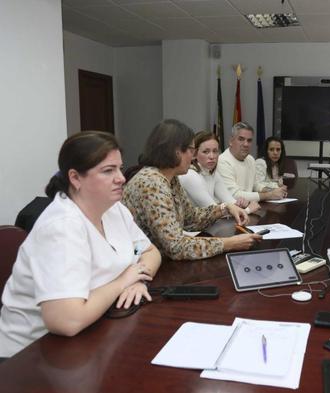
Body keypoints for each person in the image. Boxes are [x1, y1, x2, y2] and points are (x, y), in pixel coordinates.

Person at [0, 131, 161, 357]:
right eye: (108, 171)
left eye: (119, 168)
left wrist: (138, 281)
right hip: (31, 355)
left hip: (96, 329)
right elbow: (66, 321)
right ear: (75, 178)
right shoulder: (61, 227)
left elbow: (150, 252)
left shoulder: (114, 209)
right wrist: (124, 280)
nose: (122, 178)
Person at [122, 119, 261, 261]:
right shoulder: (152, 183)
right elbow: (175, 247)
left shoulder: (171, 177)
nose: (193, 156)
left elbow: (191, 218)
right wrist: (230, 244)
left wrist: (225, 208)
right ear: (176, 152)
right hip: (141, 266)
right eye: (191, 150)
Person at [179, 131, 260, 214]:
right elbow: (214, 211)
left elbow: (230, 201)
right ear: (194, 154)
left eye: (215, 151)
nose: (212, 156)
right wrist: (247, 210)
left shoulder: (212, 173)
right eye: (206, 152)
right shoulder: (190, 175)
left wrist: (240, 204)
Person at [217, 122, 287, 202]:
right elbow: (234, 195)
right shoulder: (222, 161)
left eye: (249, 140)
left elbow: (255, 185)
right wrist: (270, 195)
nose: (246, 144)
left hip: (249, 207)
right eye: (241, 139)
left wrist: (274, 191)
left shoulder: (250, 159)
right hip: (230, 211)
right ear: (231, 141)